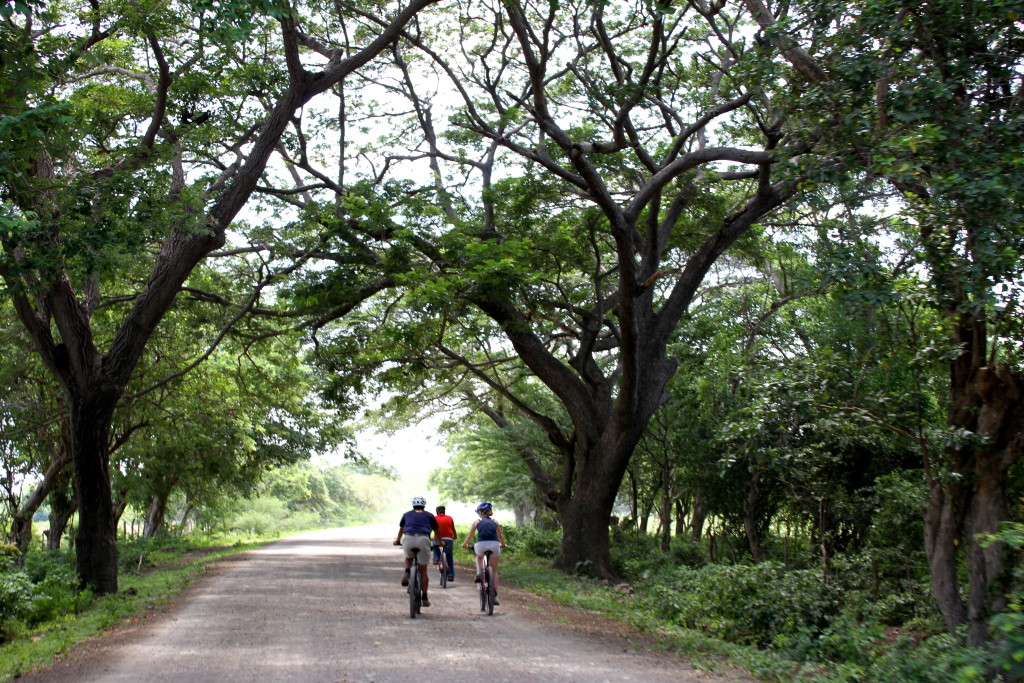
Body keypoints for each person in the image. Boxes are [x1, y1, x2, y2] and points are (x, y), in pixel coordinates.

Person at [394, 496, 441, 607]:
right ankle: (424, 597)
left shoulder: (406, 515)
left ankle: (406, 572)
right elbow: (437, 531)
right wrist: (440, 542)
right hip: (423, 539)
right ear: (424, 505)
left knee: (408, 557)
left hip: (408, 538)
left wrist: (397, 540)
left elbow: (401, 529)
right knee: (423, 570)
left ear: (413, 505)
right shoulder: (429, 515)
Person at [461, 501, 506, 605]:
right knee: (494, 572)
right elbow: (500, 536)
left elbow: (470, 536)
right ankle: (495, 596)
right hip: (495, 545)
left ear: (479, 512)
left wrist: (464, 544)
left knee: (479, 557)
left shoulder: (477, 522)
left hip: (481, 545)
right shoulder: (495, 521)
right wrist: (502, 544)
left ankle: (480, 572)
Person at [432, 505, 457, 582]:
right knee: (449, 557)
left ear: (437, 512)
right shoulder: (450, 518)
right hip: (449, 539)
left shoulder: (434, 518)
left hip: (437, 539)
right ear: (444, 511)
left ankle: (436, 559)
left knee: (435, 547)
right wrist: (455, 536)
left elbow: (431, 528)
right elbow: (453, 529)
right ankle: (450, 575)